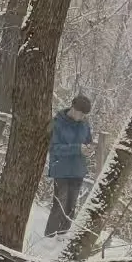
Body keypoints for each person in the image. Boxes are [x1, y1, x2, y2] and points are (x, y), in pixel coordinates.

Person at [45, 94, 94, 237]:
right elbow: (54, 148)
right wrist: (77, 148)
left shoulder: (85, 124)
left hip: (78, 170)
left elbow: (88, 141)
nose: (82, 117)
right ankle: (49, 236)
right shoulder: (57, 123)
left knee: (71, 206)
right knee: (60, 203)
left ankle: (63, 236)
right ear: (73, 108)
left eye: (85, 115)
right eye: (81, 114)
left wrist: (89, 149)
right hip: (61, 168)